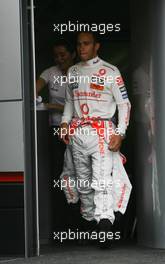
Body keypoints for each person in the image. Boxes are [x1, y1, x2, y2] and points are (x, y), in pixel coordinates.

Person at [61, 32, 132, 246]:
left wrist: (120, 133)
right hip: (78, 132)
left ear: (96, 46)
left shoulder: (111, 71)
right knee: (83, 183)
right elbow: (68, 103)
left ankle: (104, 226)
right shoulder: (72, 71)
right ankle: (91, 223)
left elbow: (124, 105)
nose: (82, 48)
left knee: (101, 181)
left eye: (87, 44)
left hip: (103, 132)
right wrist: (65, 123)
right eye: (79, 44)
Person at [36, 39, 76, 232]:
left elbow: (79, 107)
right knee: (58, 175)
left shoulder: (79, 73)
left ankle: (80, 224)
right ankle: (61, 224)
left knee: (78, 175)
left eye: (63, 55)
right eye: (56, 55)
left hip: (77, 130)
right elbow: (31, 91)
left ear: (73, 54)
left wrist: (52, 106)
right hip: (55, 130)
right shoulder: (49, 72)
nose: (60, 59)